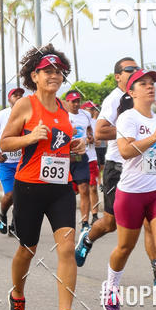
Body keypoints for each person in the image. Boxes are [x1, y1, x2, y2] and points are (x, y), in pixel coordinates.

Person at [0, 47, 88, 310]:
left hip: (60, 188)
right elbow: (5, 143)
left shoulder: (63, 107)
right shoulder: (26, 105)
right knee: (28, 249)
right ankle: (17, 295)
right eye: (47, 71)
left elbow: (59, 142)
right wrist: (30, 137)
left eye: (58, 71)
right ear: (34, 76)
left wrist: (75, 146)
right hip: (28, 188)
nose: (54, 75)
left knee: (66, 248)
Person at [75, 58, 156, 289]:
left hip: (147, 168)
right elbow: (99, 132)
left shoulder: (146, 103)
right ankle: (88, 237)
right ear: (118, 76)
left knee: (152, 224)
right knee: (110, 223)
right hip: (118, 167)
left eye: (137, 69)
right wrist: (128, 136)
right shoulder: (115, 100)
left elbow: (153, 135)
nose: (135, 73)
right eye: (130, 70)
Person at [101, 70, 156, 310]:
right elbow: (126, 151)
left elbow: (151, 152)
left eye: (152, 84)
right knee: (125, 247)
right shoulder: (127, 118)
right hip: (131, 193)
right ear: (131, 91)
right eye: (143, 84)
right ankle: (111, 287)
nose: (150, 87)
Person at [0, 87, 24, 234]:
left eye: (21, 95)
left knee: (21, 195)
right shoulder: (1, 115)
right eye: (15, 95)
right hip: (5, 162)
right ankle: (2, 215)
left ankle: (15, 224)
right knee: (10, 194)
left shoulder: (29, 115)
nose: (19, 97)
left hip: (22, 162)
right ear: (9, 99)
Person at [63, 90, 93, 231]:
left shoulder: (86, 114)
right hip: (64, 158)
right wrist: (69, 133)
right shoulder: (62, 115)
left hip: (80, 156)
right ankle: (64, 222)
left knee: (84, 189)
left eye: (77, 101)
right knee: (65, 193)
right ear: (67, 102)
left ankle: (85, 223)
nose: (76, 104)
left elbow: (89, 130)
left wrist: (89, 137)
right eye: (72, 101)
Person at [82, 101, 101, 223]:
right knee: (78, 190)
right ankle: (83, 219)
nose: (93, 111)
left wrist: (92, 140)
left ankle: (94, 216)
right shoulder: (75, 120)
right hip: (76, 159)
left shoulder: (95, 123)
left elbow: (98, 142)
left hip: (91, 158)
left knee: (93, 187)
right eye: (91, 109)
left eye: (94, 109)